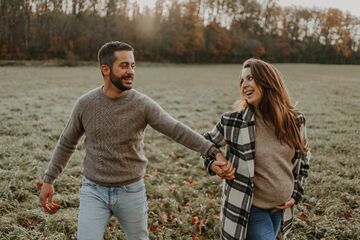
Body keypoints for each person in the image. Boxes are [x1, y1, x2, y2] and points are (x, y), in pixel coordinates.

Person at [39, 41, 235, 240]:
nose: (131, 71)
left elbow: (176, 129)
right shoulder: (85, 104)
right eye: (124, 65)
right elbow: (66, 143)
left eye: (133, 65)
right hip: (94, 191)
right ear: (105, 69)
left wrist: (212, 151)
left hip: (131, 191)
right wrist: (49, 180)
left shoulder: (142, 104)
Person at [203, 58, 311, 240]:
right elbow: (205, 143)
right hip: (250, 210)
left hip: (281, 209)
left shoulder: (296, 120)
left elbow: (304, 158)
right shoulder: (233, 122)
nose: (244, 85)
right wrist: (213, 162)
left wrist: (296, 194)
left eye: (250, 78)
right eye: (241, 81)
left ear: (268, 81)